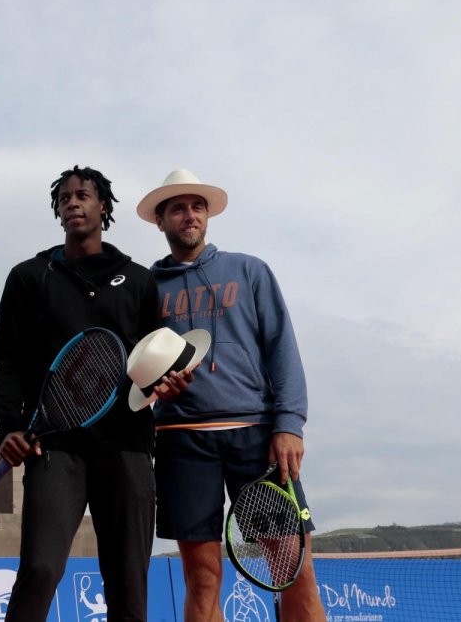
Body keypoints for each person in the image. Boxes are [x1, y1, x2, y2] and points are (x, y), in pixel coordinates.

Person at [0, 165, 189, 622]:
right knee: (40, 569)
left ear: (104, 207)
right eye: (64, 198)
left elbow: (155, 362)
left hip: (127, 449)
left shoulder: (140, 281)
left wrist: (169, 381)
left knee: (127, 582)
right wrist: (10, 426)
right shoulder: (28, 276)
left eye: (84, 195)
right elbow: (9, 363)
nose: (73, 202)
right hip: (54, 450)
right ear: (57, 211)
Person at [136, 169, 325, 621]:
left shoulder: (249, 270)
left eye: (196, 206)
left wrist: (289, 424)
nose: (189, 215)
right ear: (160, 220)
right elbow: (138, 370)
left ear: (207, 215)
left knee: (294, 570)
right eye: (177, 208)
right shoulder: (145, 287)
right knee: (202, 578)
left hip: (256, 437)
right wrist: (155, 387)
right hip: (183, 441)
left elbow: (282, 347)